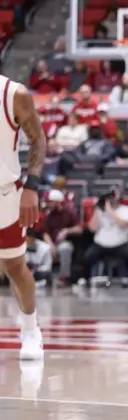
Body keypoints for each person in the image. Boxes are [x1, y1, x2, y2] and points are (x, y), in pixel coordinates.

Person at [0, 76, 46, 360]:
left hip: (4, 193)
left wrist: (31, 187)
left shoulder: (13, 93)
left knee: (15, 266)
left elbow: (38, 137)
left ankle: (30, 330)